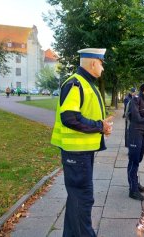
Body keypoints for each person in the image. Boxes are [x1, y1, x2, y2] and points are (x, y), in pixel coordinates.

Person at [51, 48, 113, 237]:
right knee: (82, 199)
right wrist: (99, 126)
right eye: (101, 63)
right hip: (77, 154)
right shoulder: (77, 83)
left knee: (77, 199)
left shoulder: (84, 83)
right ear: (94, 62)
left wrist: (101, 127)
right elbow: (70, 118)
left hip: (81, 152)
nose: (103, 67)